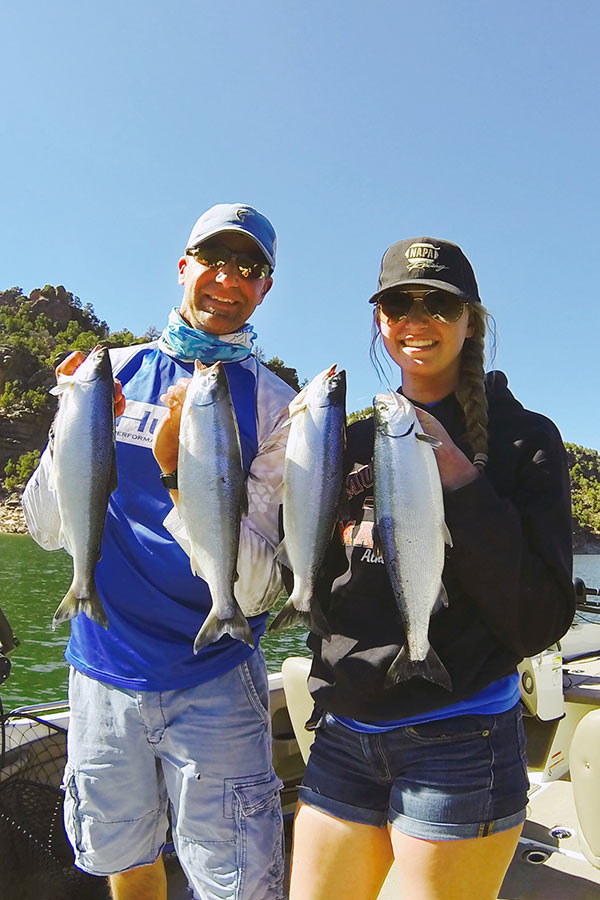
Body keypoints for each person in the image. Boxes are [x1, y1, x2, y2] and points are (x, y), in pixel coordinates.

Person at [23, 203, 296, 900]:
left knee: (235, 883)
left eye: (249, 268)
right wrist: (70, 425)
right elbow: (48, 528)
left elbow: (263, 586)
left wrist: (181, 476)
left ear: (265, 287)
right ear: (185, 267)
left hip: (216, 676)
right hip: (102, 671)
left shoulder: (277, 408)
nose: (228, 280)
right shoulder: (108, 375)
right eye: (214, 260)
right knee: (124, 857)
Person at [289, 237, 575, 900]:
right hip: (344, 731)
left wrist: (465, 487)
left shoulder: (524, 439)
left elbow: (538, 620)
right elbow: (313, 575)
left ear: (472, 319)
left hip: (462, 735)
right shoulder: (351, 440)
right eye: (398, 303)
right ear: (379, 320)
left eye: (439, 304)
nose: (417, 319)